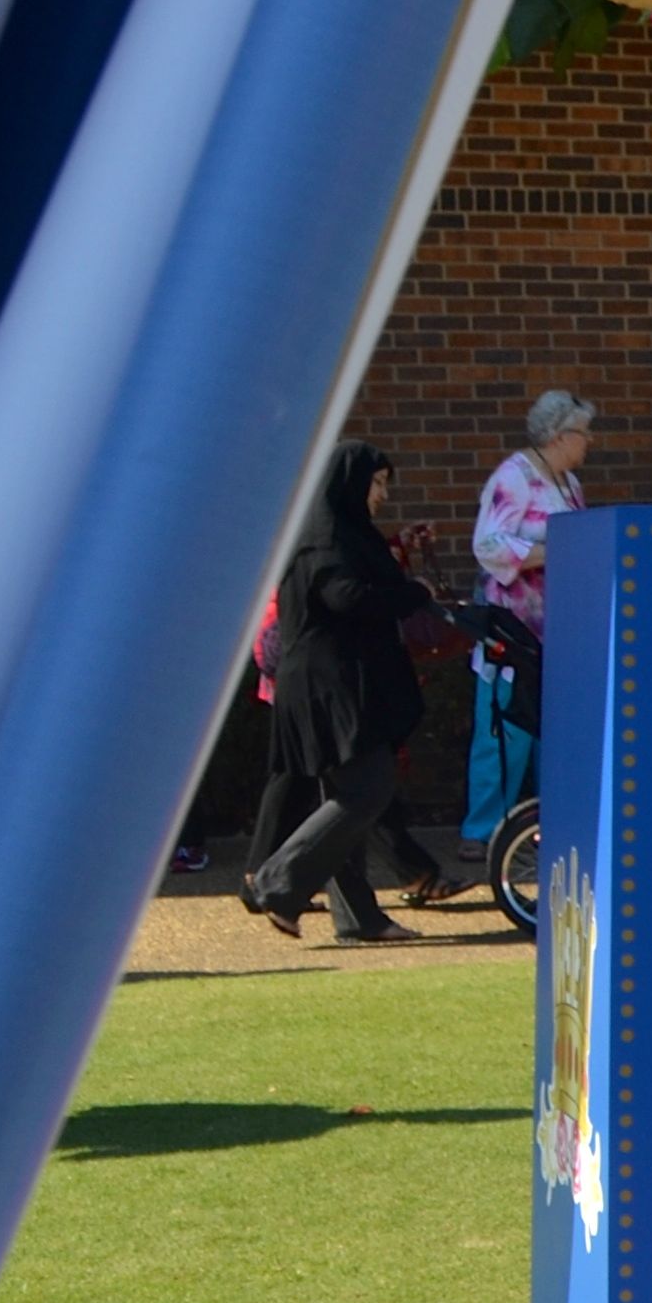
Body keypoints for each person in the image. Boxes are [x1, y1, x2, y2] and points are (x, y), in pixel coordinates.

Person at [253, 442, 439, 943]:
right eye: (377, 484)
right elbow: (348, 598)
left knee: (345, 796)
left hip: (335, 683)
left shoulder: (343, 535)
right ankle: (279, 880)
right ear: (351, 484)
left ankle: (358, 918)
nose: (381, 495)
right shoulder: (326, 541)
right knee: (366, 789)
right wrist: (414, 593)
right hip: (328, 688)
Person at [469, 392, 592, 844]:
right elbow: (488, 546)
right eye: (583, 433)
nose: (589, 442)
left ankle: (549, 827)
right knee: (505, 735)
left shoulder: (570, 484)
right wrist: (550, 553)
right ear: (561, 436)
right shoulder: (513, 478)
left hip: (558, 632)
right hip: (514, 630)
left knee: (550, 733)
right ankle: (482, 832)